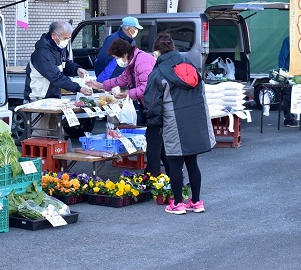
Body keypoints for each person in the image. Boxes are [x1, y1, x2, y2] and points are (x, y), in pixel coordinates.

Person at [144, 33, 216, 215]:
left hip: (174, 121)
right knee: (192, 161)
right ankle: (197, 201)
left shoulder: (158, 72)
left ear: (157, 52)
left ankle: (177, 203)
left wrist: (154, 123)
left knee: (175, 162)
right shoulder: (190, 64)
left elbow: (152, 103)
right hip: (195, 117)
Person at [86, 38, 168, 175]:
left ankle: (153, 176)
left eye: (116, 57)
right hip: (152, 106)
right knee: (159, 143)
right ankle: (167, 176)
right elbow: (122, 79)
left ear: (123, 54)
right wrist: (101, 85)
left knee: (154, 142)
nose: (117, 61)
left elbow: (146, 88)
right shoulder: (133, 62)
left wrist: (127, 94)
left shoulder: (142, 61)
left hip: (157, 106)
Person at [24, 21, 92, 135]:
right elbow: (55, 76)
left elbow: (65, 65)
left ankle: (55, 153)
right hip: (39, 99)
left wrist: (76, 69)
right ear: (54, 35)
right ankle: (37, 154)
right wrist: (78, 88)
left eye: (68, 38)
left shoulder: (59, 48)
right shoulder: (42, 53)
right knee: (40, 135)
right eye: (65, 38)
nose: (66, 41)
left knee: (56, 133)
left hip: (54, 99)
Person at [94, 16, 143, 82]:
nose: (137, 30)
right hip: (110, 79)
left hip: (123, 79)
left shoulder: (131, 41)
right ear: (128, 28)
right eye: (135, 28)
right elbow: (102, 58)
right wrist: (100, 74)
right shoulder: (113, 39)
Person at [278, 36, 299, 127]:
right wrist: (282, 72)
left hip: (299, 72)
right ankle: (288, 118)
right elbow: (282, 56)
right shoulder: (289, 39)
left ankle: (291, 116)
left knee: (294, 96)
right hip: (289, 72)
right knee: (288, 95)